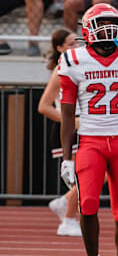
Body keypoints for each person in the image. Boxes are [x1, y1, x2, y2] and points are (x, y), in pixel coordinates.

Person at [57, 3, 118, 256]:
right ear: (88, 30)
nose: (108, 29)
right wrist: (67, 159)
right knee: (87, 204)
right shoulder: (73, 60)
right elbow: (67, 114)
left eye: (112, 23)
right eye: (101, 24)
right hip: (91, 140)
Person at [38, 28, 82, 237]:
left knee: (101, 173)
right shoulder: (61, 69)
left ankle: (65, 202)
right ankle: (69, 219)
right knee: (85, 176)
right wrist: (73, 121)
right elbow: (44, 106)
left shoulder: (81, 65)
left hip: (87, 125)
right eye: (71, 44)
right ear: (60, 48)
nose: (77, 47)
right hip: (70, 129)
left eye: (78, 43)